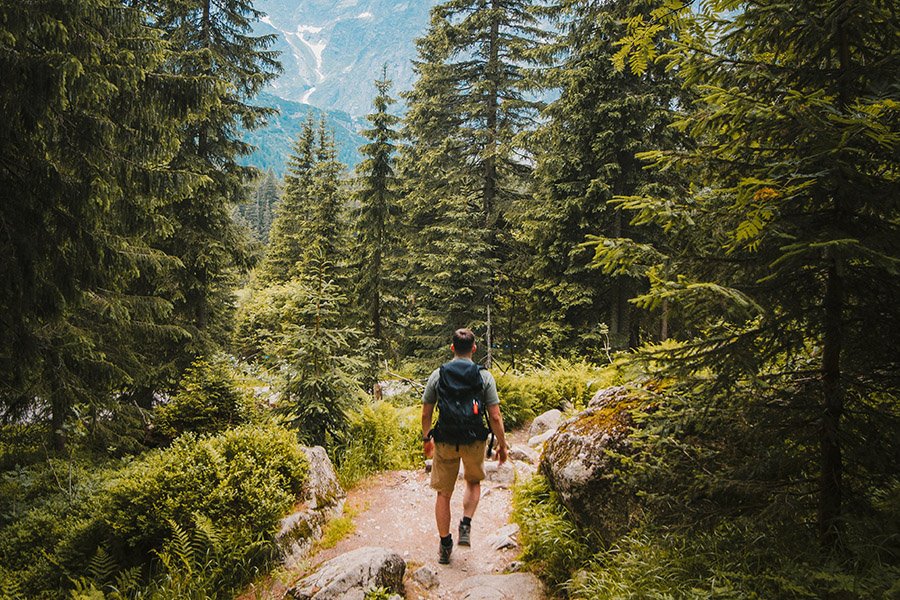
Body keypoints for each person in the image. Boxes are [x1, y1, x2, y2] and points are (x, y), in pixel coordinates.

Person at [421, 328, 508, 565]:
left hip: (446, 440)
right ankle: (466, 524)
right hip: (473, 440)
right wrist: (502, 446)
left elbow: (426, 411)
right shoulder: (484, 376)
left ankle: (445, 543)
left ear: (452, 349)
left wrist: (427, 438)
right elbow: (496, 416)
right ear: (474, 348)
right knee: (473, 481)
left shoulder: (438, 375)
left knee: (443, 493)